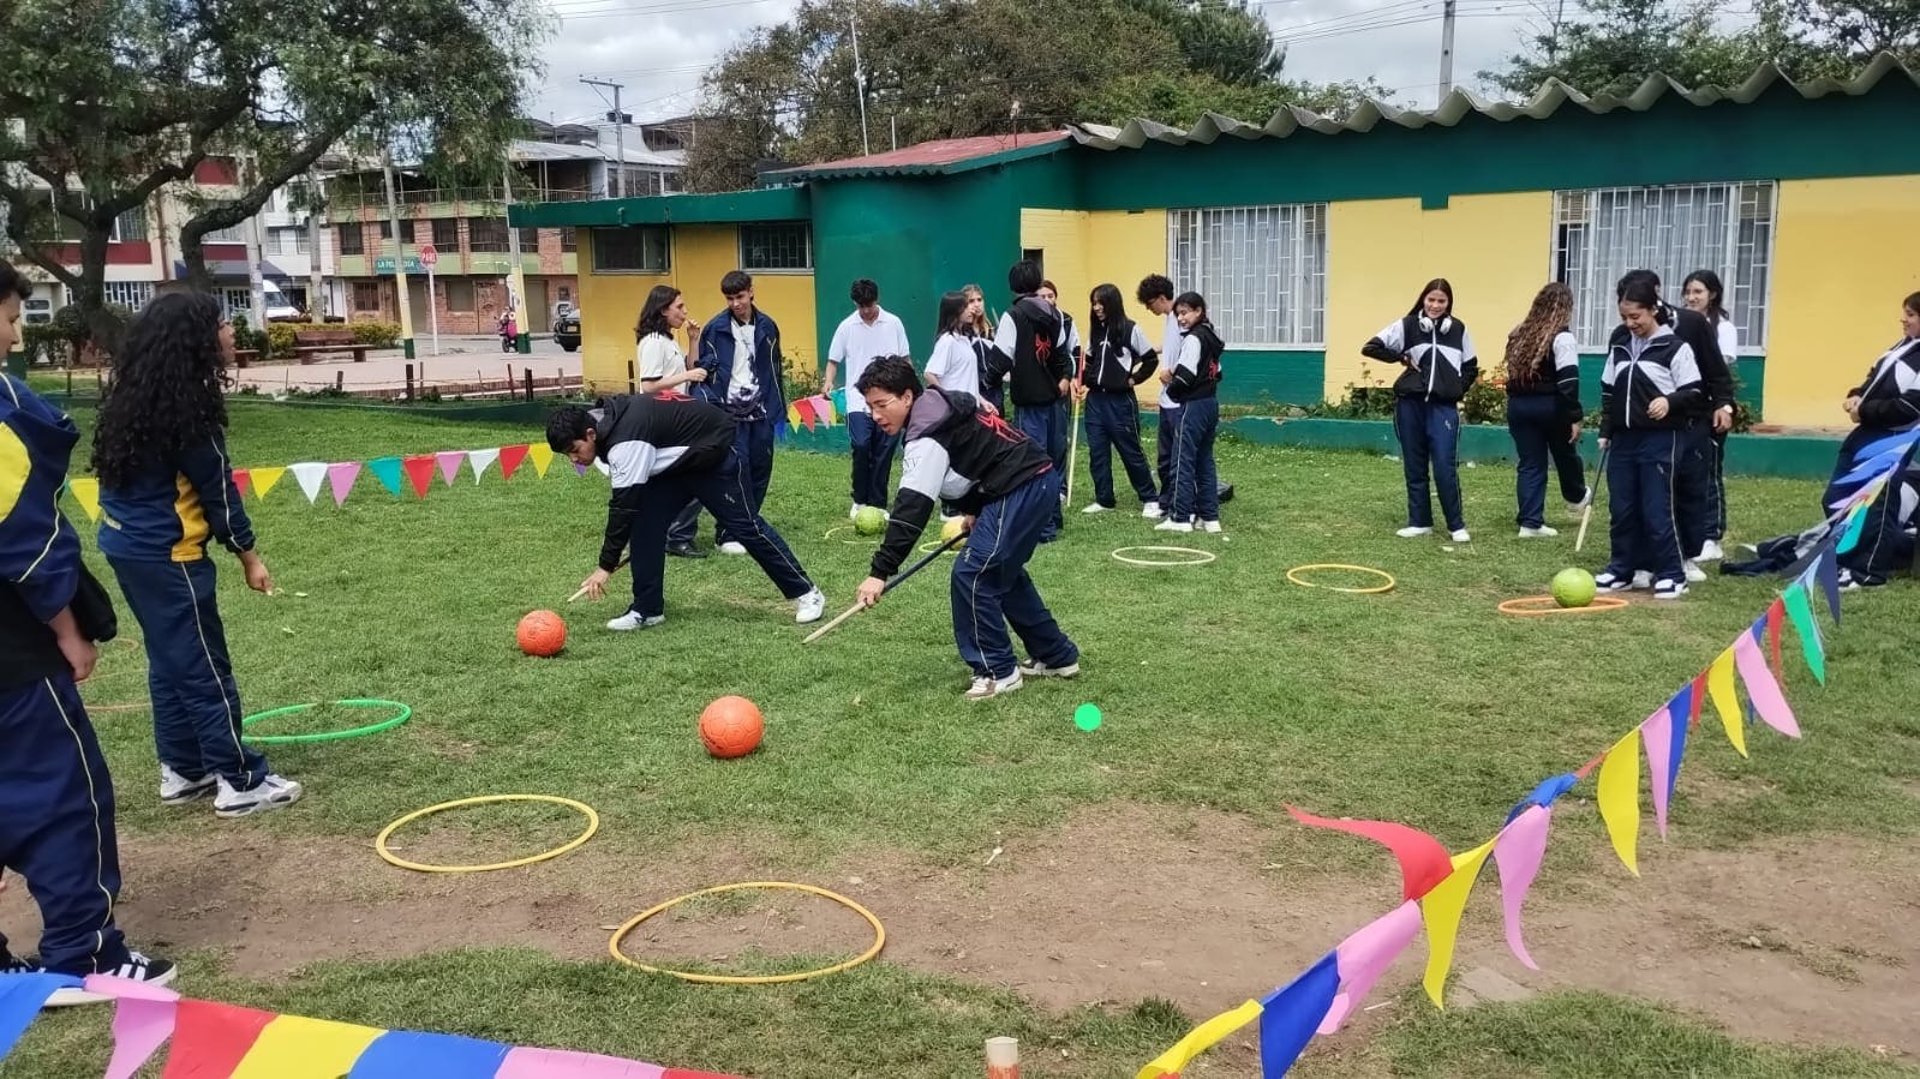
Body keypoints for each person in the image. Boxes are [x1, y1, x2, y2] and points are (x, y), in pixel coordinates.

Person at [2, 264, 176, 1001]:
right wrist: (69, 628)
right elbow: (24, 538)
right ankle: (84, 952)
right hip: (12, 657)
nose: (14, 334)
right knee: (62, 792)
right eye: (9, 319)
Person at [91, 292, 301, 818]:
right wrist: (249, 556)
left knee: (170, 660)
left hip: (126, 547)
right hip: (168, 557)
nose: (232, 333)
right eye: (225, 325)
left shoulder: (136, 399)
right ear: (197, 343)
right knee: (204, 664)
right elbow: (219, 495)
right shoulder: (187, 412)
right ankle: (239, 779)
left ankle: (183, 768)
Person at [852, 357, 1079, 701]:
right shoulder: (942, 403)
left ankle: (996, 671)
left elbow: (911, 509)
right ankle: (1056, 656)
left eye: (882, 404)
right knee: (1002, 573)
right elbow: (973, 462)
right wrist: (976, 511)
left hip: (1023, 485)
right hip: (1032, 481)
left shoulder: (926, 434)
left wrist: (879, 572)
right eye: (870, 407)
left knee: (973, 575)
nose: (876, 415)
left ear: (908, 397)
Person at [549, 395, 826, 630]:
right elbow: (631, 510)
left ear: (590, 434)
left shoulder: (625, 441)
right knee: (644, 524)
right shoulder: (608, 422)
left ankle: (807, 593)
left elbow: (622, 506)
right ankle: (647, 609)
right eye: (567, 455)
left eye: (575, 450)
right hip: (678, 464)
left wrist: (604, 567)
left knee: (745, 528)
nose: (575, 459)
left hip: (715, 453)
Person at [1612, 270, 1734, 585]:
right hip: (1643, 429)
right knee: (1643, 494)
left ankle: (1686, 555)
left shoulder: (1691, 323)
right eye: (1623, 309)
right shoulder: (1623, 334)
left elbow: (1714, 370)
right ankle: (1643, 561)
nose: (1629, 319)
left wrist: (1724, 403)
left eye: (1634, 309)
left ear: (1655, 296)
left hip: (1690, 421)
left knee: (1688, 490)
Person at [1594, 276, 1703, 600]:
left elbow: (1694, 391)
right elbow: (1610, 391)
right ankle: (1621, 570)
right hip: (1624, 441)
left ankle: (1672, 573)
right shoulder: (1620, 345)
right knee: (1622, 508)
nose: (1631, 324)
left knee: (1657, 508)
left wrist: (1670, 401)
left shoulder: (1675, 347)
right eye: (1625, 318)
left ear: (1653, 309)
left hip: (1660, 439)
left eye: (1636, 317)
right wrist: (1606, 430)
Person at [679, 271, 787, 557]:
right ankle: (727, 532)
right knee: (736, 472)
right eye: (730, 299)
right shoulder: (715, 328)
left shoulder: (768, 326)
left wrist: (778, 408)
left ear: (751, 292)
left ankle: (747, 525)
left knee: (761, 470)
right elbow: (702, 370)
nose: (736, 304)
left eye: (740, 297)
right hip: (728, 414)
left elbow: (775, 371)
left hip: (761, 411)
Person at [1363, 278, 1479, 542]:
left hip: (1443, 409)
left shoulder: (1458, 329)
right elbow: (1371, 346)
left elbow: (1471, 366)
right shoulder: (1408, 326)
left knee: (1444, 466)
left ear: (1449, 303)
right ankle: (1420, 522)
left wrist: (1455, 389)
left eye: (1441, 301)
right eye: (1431, 300)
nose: (1435, 305)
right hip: (1410, 406)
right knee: (1415, 466)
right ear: (1423, 299)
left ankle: (1456, 525)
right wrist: (1401, 357)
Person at [1828, 291, 1920, 589]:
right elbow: (1874, 380)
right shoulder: (1903, 347)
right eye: (1904, 312)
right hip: (1866, 431)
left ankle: (1868, 570)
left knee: (1876, 504)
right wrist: (1856, 395)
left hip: (1891, 438)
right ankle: (1845, 557)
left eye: (1911, 314)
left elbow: (1909, 407)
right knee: (1837, 497)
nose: (1903, 319)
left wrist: (1864, 410)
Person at [1502, 282, 1588, 538]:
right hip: (1550, 406)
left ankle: (1530, 523)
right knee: (1566, 454)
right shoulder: (1562, 338)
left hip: (1518, 406)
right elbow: (1568, 381)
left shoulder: (1520, 334)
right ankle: (1576, 496)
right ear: (1566, 309)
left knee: (1530, 464)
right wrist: (1574, 416)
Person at [994, 262, 1072, 542]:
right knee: (1051, 460)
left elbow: (1001, 358)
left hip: (1030, 402)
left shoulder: (1013, 315)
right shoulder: (1055, 313)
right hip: (1055, 400)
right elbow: (1063, 354)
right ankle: (1053, 518)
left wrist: (988, 382)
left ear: (1013, 286)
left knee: (1034, 464)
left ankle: (1043, 527)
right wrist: (1063, 378)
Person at [633, 285, 712, 559]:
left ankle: (670, 531)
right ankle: (677, 535)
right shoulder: (654, 341)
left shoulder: (667, 340)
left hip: (678, 417)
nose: (685, 312)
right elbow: (650, 385)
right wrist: (687, 378)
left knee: (678, 478)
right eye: (679, 307)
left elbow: (686, 370)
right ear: (663, 309)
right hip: (665, 419)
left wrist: (693, 340)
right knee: (700, 474)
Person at [823, 279, 910, 521]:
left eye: (869, 305)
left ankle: (878, 502)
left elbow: (905, 359)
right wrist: (828, 381)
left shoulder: (893, 323)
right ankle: (860, 499)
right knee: (861, 446)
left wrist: (911, 391)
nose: (866, 310)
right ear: (855, 303)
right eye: (861, 306)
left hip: (889, 399)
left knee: (884, 450)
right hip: (857, 399)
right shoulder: (846, 326)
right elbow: (833, 360)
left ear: (877, 300)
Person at [1077, 283, 1160, 517]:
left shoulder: (1130, 329)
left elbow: (1150, 359)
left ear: (1112, 303)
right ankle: (1104, 499)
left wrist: (1133, 379)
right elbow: (1090, 361)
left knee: (1130, 450)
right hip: (1095, 401)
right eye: (1093, 303)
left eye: (1100, 303)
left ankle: (1150, 498)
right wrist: (1081, 380)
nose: (1097, 308)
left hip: (1120, 402)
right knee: (1097, 452)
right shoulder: (1095, 330)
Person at [1155, 292, 1225, 533]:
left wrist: (1171, 390)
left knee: (1182, 460)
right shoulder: (1212, 337)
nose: (1181, 318)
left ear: (1199, 311)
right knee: (1205, 460)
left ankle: (1180, 517)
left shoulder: (1194, 339)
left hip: (1193, 406)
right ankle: (1210, 517)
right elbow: (1218, 373)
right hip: (1210, 403)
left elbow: (1184, 375)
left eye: (1185, 312)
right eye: (1178, 315)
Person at [1682, 269, 1740, 561]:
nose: (1692, 298)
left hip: (1712, 408)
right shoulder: (1681, 323)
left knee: (1710, 472)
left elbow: (1721, 371)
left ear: (1712, 295)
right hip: (1687, 410)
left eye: (1698, 292)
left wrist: (1723, 405)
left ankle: (1712, 536)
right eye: (1689, 292)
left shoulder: (1723, 328)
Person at [1138, 274, 1183, 513]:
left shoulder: (1181, 317)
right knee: (1164, 456)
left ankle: (1179, 501)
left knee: (1177, 455)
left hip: (1179, 399)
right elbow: (1172, 344)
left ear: (1161, 298)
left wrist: (1172, 372)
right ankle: (1165, 501)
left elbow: (1192, 348)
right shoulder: (1169, 320)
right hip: (1166, 400)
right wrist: (1153, 350)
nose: (1149, 308)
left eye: (1149, 303)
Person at [925, 290, 985, 402]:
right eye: (965, 307)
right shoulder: (947, 341)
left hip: (970, 409)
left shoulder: (964, 339)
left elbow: (968, 379)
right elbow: (929, 374)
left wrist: (983, 401)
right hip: (958, 412)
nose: (971, 309)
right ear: (954, 311)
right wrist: (949, 399)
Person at [962, 284, 1007, 414]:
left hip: (995, 393)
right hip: (974, 394)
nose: (977, 304)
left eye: (979, 299)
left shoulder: (989, 330)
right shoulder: (961, 333)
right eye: (971, 301)